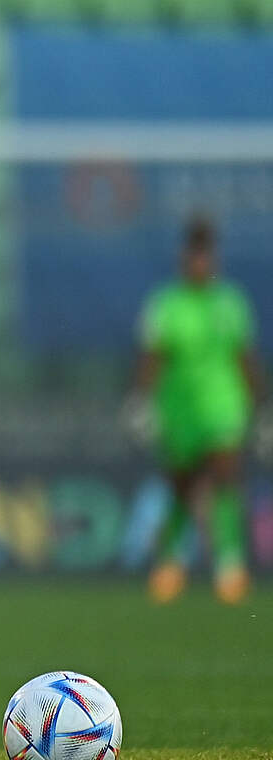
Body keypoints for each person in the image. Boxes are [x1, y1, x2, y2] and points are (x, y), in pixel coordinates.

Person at [132, 215, 264, 604]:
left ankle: (229, 565)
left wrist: (262, 403)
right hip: (179, 410)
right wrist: (142, 401)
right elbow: (152, 357)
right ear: (184, 258)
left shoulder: (231, 302)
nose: (200, 263)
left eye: (206, 256)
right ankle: (171, 563)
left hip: (224, 405)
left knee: (226, 475)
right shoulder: (166, 304)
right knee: (182, 486)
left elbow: (246, 357)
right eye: (194, 256)